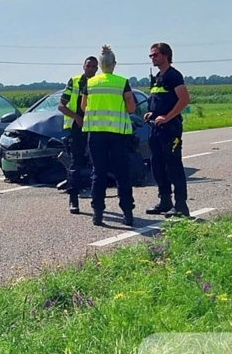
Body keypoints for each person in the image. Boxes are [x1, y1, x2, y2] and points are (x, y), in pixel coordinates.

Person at [81, 45, 136, 227]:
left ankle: (97, 214)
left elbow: (83, 107)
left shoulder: (90, 83)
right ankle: (127, 213)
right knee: (122, 173)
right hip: (118, 134)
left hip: (96, 134)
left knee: (98, 173)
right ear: (114, 64)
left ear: (100, 65)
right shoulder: (122, 82)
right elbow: (131, 107)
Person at [145, 42, 191, 217]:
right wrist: (152, 113)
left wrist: (167, 117)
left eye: (155, 55)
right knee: (157, 165)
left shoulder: (173, 76)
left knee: (173, 166)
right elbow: (159, 101)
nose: (152, 58)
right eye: (151, 55)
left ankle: (181, 206)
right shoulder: (158, 76)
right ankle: (165, 201)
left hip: (170, 129)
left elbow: (184, 99)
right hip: (155, 129)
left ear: (165, 55)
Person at [57, 56, 99, 214]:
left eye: (94, 67)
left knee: (97, 164)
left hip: (95, 126)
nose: (91, 69)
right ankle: (73, 199)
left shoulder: (98, 83)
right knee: (76, 164)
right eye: (88, 66)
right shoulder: (74, 81)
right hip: (76, 128)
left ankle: (97, 203)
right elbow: (61, 105)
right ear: (83, 66)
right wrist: (76, 117)